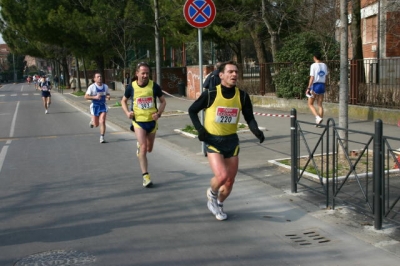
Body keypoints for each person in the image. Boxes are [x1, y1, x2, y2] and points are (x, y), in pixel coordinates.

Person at [188, 60, 265, 221]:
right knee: (222, 176)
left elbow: (249, 117)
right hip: (213, 140)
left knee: (230, 181)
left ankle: (218, 204)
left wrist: (256, 131)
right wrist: (200, 130)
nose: (234, 74)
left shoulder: (242, 96)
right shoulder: (211, 94)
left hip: (231, 141)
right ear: (221, 75)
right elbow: (192, 110)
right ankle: (212, 193)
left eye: (236, 72)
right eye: (230, 72)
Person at [121, 62, 167, 187]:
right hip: (138, 121)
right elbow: (123, 101)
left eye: (147, 73)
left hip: (152, 122)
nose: (145, 75)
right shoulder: (131, 87)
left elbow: (163, 101)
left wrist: (159, 113)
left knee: (149, 149)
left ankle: (141, 146)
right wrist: (127, 112)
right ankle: (146, 176)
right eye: (143, 73)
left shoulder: (154, 86)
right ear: (137, 74)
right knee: (143, 147)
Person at [84, 73, 111, 143]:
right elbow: (86, 96)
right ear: (94, 79)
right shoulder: (92, 87)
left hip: (103, 105)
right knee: (96, 124)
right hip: (95, 106)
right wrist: (94, 97)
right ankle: (92, 122)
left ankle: (102, 137)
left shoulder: (105, 86)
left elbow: (107, 94)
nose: (100, 78)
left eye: (100, 76)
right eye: (98, 77)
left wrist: (108, 96)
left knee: (102, 121)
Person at [306, 51, 328, 126]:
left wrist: (309, 87)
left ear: (314, 57)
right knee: (320, 105)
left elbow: (312, 77)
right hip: (322, 85)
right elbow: (325, 76)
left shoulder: (313, 65)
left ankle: (317, 117)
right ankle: (319, 122)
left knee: (310, 104)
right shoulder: (324, 65)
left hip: (315, 85)